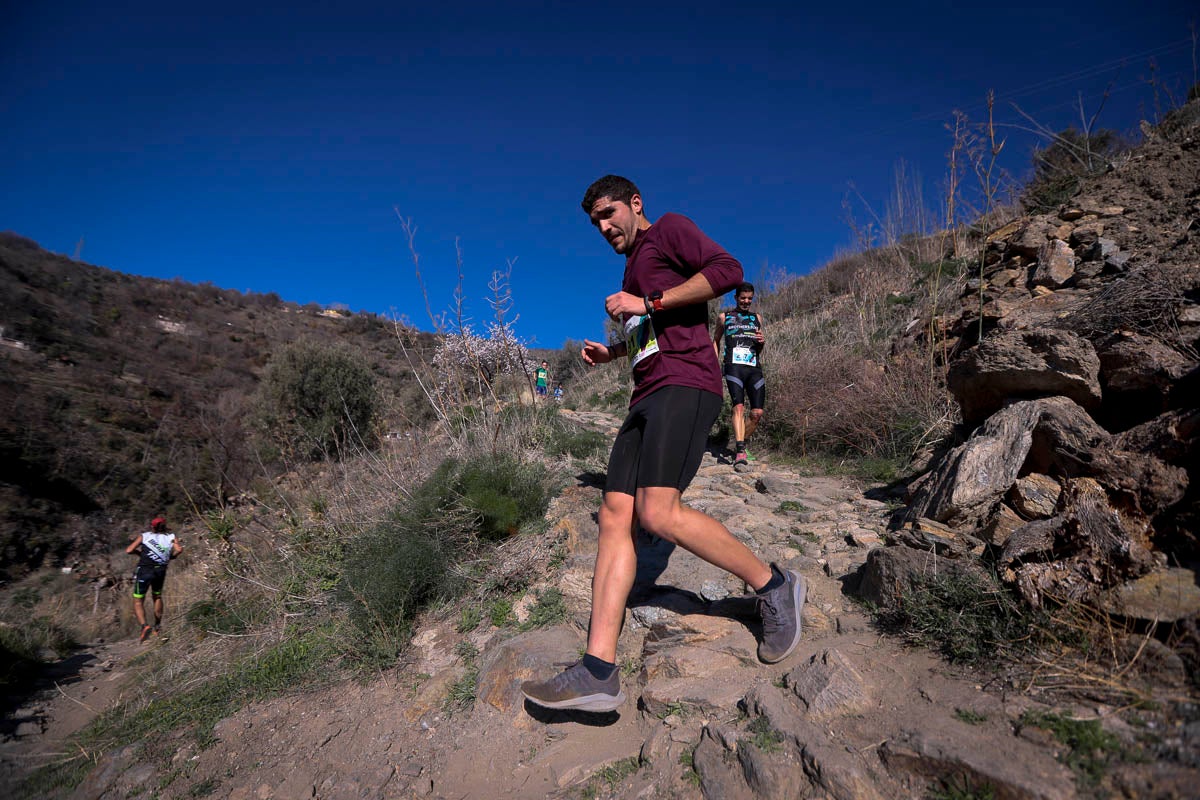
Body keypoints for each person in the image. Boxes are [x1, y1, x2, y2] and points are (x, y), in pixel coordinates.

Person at [521, 176, 806, 713]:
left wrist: (646, 300)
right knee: (613, 513)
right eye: (595, 223)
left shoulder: (670, 230)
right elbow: (651, 328)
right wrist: (613, 352)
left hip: (687, 384)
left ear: (635, 204)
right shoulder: (631, 268)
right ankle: (598, 670)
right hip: (646, 392)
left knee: (658, 513)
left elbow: (727, 272)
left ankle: (772, 587)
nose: (604, 228)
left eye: (609, 214)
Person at [713, 282, 766, 472]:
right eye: (743, 298)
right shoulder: (724, 317)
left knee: (757, 413)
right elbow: (716, 340)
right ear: (736, 298)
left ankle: (739, 442)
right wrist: (714, 362)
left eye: (749, 299)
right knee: (739, 407)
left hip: (753, 367)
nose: (746, 301)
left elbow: (759, 346)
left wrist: (762, 342)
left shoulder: (756, 317)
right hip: (733, 366)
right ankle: (741, 451)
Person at [126, 517, 183, 642]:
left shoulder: (145, 536)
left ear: (152, 527)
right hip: (160, 571)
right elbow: (179, 549)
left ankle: (144, 626)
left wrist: (139, 553)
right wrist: (171, 557)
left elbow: (129, 550)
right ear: (165, 526)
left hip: (145, 570)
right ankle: (157, 627)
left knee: (138, 601)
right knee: (157, 597)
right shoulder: (171, 536)